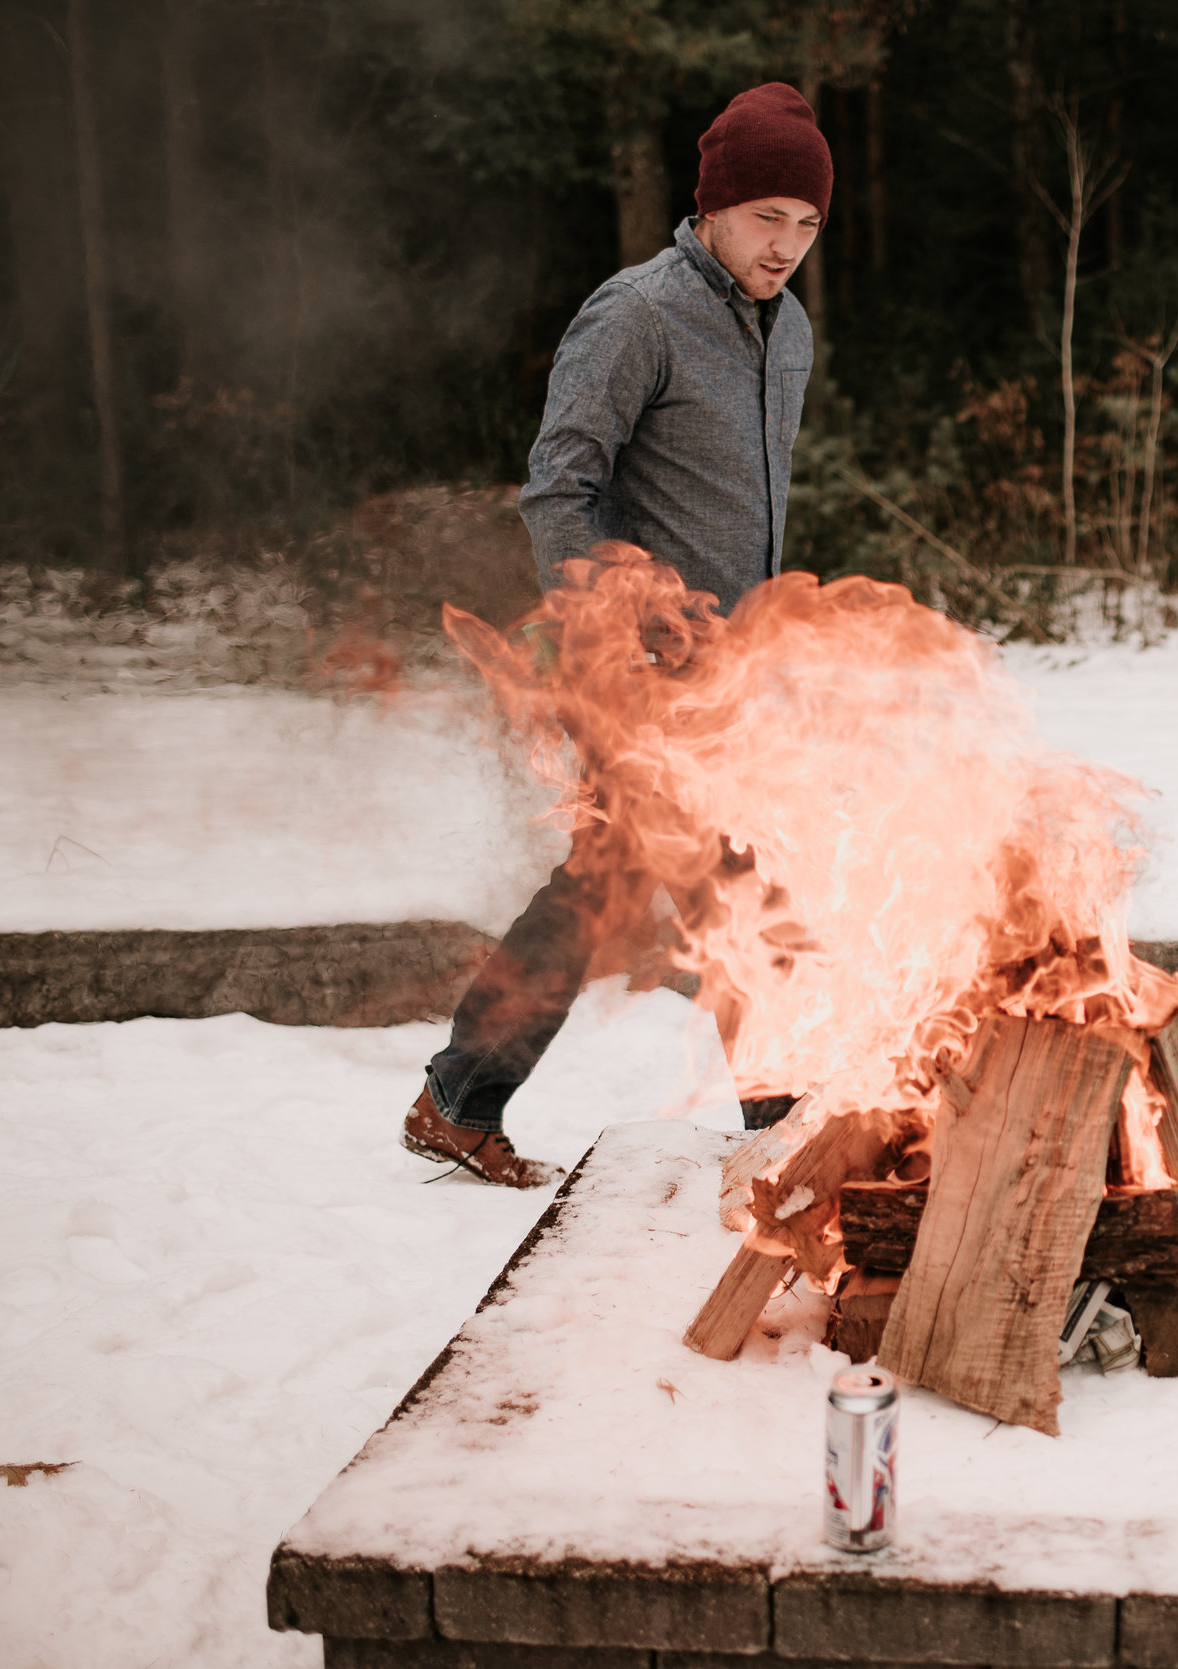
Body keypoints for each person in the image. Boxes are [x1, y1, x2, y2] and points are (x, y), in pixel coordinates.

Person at [402, 83, 830, 1187]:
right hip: (642, 674)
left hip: (732, 675)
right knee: (726, 886)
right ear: (717, 208)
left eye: (808, 222)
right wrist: (612, 646)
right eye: (767, 215)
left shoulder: (790, 333)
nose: (786, 244)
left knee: (614, 884)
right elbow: (558, 490)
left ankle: (460, 1094)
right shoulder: (637, 315)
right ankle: (780, 1124)